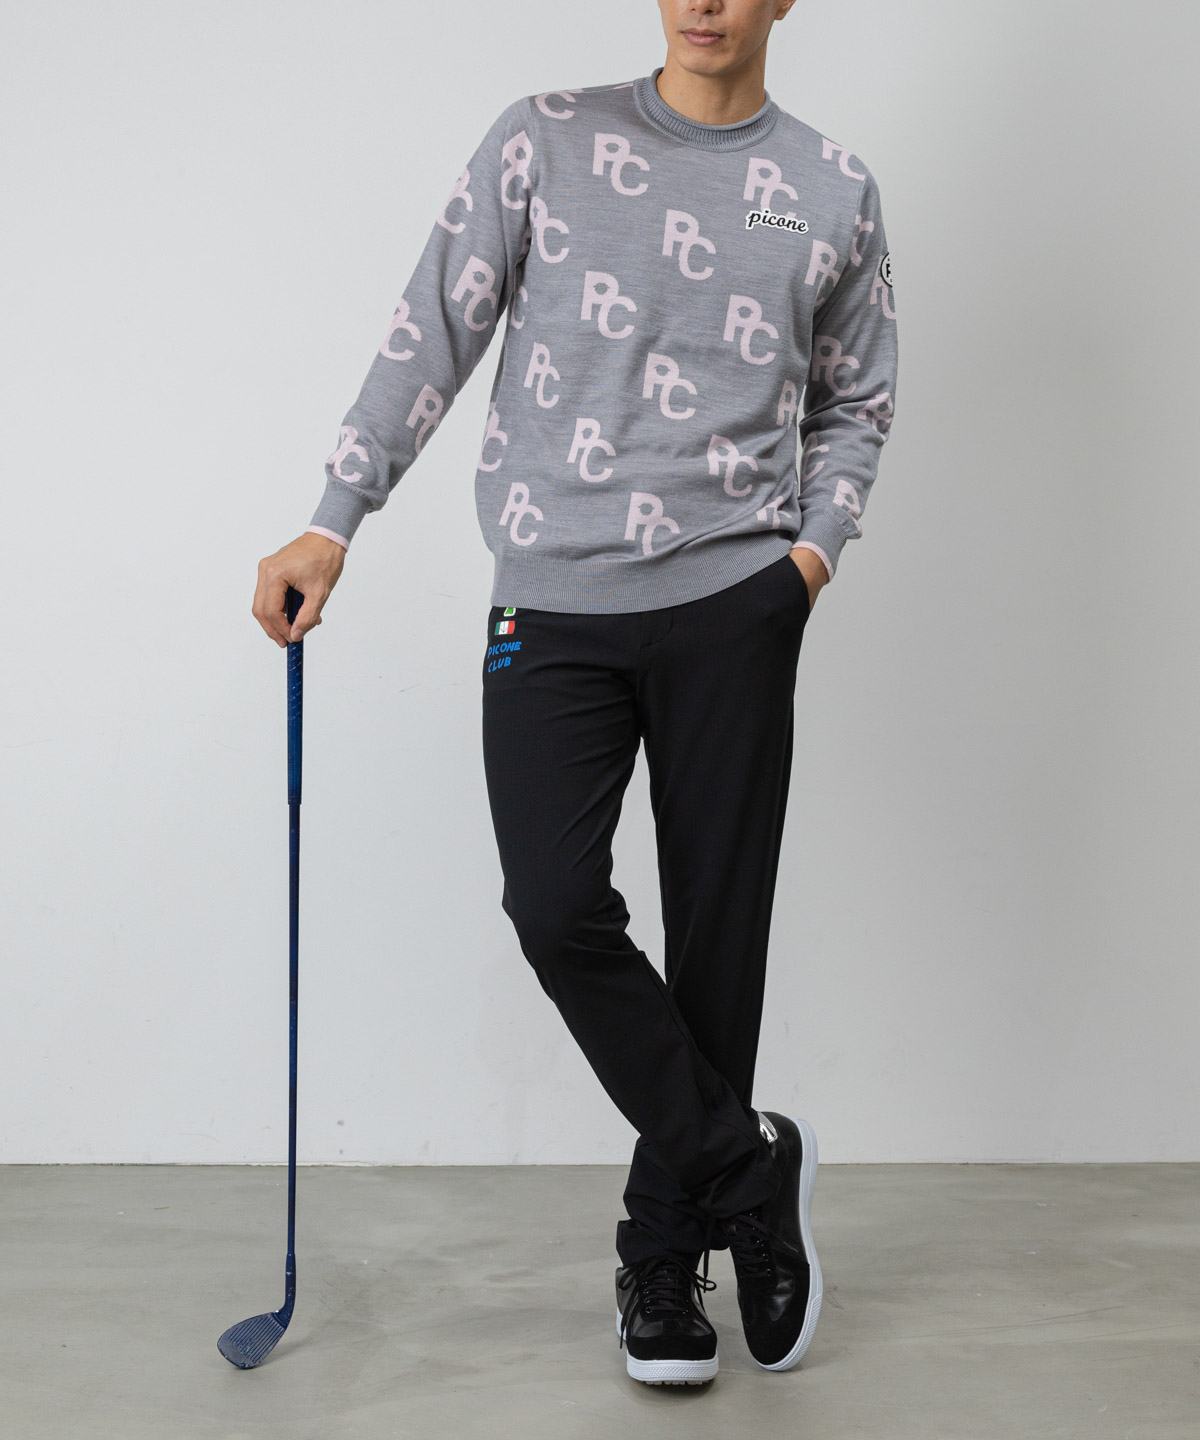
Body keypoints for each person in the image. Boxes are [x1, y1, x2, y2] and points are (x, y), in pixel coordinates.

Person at [252, 0, 897, 1389]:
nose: (704, 2)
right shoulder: (545, 140)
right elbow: (432, 331)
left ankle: (661, 1257)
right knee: (554, 908)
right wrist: (332, 518)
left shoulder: (828, 187)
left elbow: (858, 400)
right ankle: (747, 1170)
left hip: (737, 598)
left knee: (719, 940)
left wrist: (807, 561)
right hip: (552, 599)